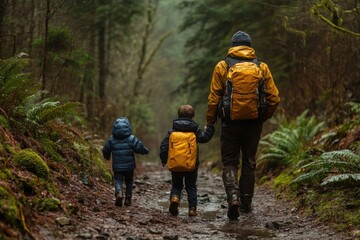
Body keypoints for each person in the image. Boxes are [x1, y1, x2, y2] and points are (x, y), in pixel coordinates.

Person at [206, 31, 280, 220]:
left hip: (230, 123)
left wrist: (210, 121)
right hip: (254, 123)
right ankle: (246, 203)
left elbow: (214, 98)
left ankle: (233, 197)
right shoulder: (262, 67)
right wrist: (262, 117)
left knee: (230, 162)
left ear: (233, 46)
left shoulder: (222, 66)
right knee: (249, 161)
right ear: (249, 46)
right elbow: (274, 98)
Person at [159, 105, 215, 217]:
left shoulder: (172, 130)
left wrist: (164, 159)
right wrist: (209, 128)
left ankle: (175, 198)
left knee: (176, 185)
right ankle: (192, 209)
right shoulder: (195, 130)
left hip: (176, 164)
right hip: (192, 165)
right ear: (192, 117)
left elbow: (164, 146)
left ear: (179, 116)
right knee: (191, 186)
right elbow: (205, 138)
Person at [103, 117, 149, 207]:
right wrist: (145, 151)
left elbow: (105, 150)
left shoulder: (112, 140)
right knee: (129, 181)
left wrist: (107, 157)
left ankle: (119, 192)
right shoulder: (131, 138)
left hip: (117, 166)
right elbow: (139, 147)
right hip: (129, 166)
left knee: (118, 180)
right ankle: (128, 199)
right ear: (128, 127)